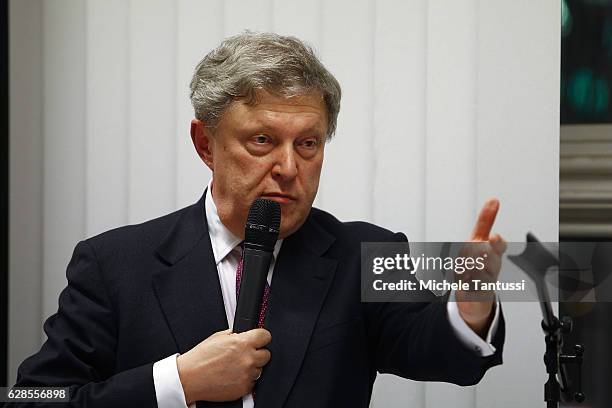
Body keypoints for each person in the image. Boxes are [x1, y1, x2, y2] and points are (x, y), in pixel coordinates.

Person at [13, 32, 506, 407]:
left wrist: (470, 310)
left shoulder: (365, 253)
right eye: (262, 142)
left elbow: (440, 353)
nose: (289, 168)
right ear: (206, 144)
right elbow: (33, 398)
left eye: (308, 144)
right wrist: (176, 382)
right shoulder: (114, 263)